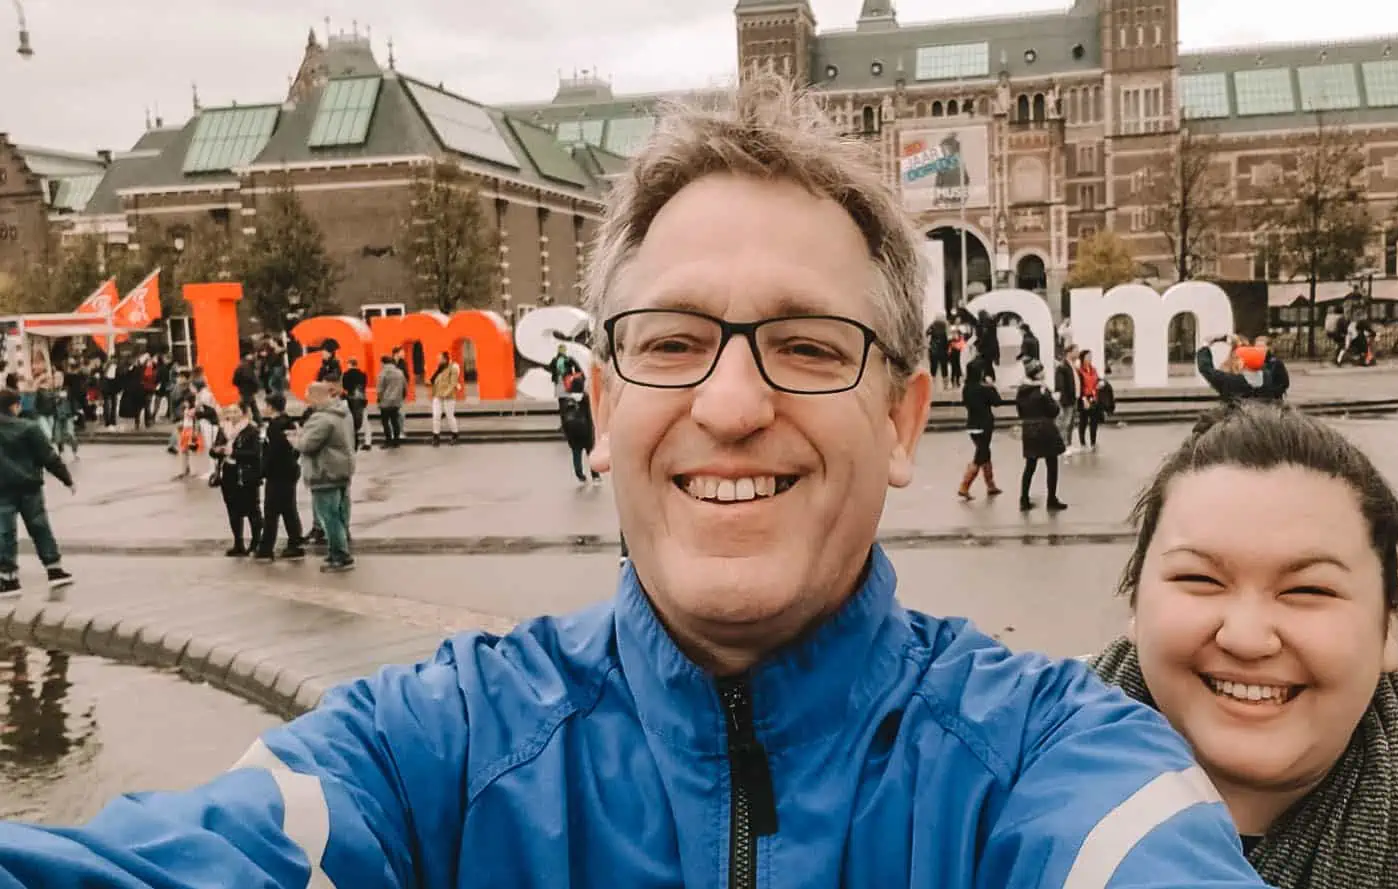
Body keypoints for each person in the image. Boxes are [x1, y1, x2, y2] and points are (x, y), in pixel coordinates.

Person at [0, 77, 1268, 889]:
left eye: (808, 346)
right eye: (670, 343)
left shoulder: (1054, 766)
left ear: (902, 416)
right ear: (601, 408)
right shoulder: (424, 758)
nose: (728, 403)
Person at [1089, 400, 1398, 888]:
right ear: (1135, 603)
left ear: (1388, 629)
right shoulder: (1015, 780)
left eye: (1308, 590)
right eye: (1199, 578)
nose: (1247, 637)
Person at [0, 389, 74, 596]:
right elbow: (48, 457)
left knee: (4, 532)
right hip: (30, 487)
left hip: (2, 490)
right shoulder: (29, 428)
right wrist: (66, 479)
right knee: (40, 526)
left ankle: (8, 578)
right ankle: (54, 569)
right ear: (14, 406)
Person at [296, 381, 356, 572]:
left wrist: (296, 438)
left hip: (324, 471)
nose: (308, 403)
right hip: (341, 469)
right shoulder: (343, 414)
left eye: (308, 398)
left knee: (329, 517)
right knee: (339, 513)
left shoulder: (321, 419)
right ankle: (336, 551)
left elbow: (307, 445)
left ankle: (340, 555)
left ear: (315, 397)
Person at [254, 393, 307, 562]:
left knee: (271, 511)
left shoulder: (274, 427)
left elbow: (272, 453)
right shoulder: (289, 423)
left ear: (271, 407)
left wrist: (262, 471)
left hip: (277, 474)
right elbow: (296, 446)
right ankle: (295, 542)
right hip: (289, 470)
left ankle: (266, 548)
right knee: (288, 509)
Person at [210, 405, 264, 558]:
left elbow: (255, 454)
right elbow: (214, 449)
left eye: (236, 411)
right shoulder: (224, 429)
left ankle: (256, 542)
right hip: (228, 472)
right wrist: (216, 451)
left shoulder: (251, 431)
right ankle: (238, 543)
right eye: (229, 411)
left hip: (246, 473)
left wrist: (233, 452)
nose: (232, 415)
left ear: (244, 413)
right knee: (233, 509)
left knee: (252, 509)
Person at [1013, 359, 1068, 512]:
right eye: (1041, 370)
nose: (1043, 372)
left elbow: (1020, 412)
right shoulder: (1043, 390)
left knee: (1030, 466)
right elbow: (1053, 411)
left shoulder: (1021, 391)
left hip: (1029, 429)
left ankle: (1023, 499)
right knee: (1052, 465)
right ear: (1037, 374)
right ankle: (1051, 498)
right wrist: (1054, 401)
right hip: (1045, 429)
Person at [957, 354, 1003, 500]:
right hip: (984, 424)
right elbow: (997, 402)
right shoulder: (984, 389)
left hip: (972, 424)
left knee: (985, 453)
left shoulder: (967, 388)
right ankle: (964, 486)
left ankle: (991, 485)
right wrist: (991, 386)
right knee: (980, 455)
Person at [557, 369, 600, 484]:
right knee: (590, 453)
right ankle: (595, 475)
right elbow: (590, 415)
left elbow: (563, 416)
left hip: (572, 432)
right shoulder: (586, 398)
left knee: (576, 454)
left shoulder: (565, 399)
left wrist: (566, 432)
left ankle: (580, 475)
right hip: (586, 431)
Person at [429, 351, 461, 445]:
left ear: (445, 359)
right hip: (437, 395)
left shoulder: (453, 368)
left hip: (449, 396)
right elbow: (436, 380)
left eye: (439, 359)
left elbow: (453, 383)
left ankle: (455, 435)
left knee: (450, 416)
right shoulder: (439, 368)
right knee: (436, 415)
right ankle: (436, 436)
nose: (438, 361)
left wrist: (446, 393)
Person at [340, 357, 371, 451]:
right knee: (365, 420)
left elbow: (344, 387)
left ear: (349, 364)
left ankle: (352, 442)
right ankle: (368, 442)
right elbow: (365, 385)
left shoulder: (346, 374)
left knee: (350, 421)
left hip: (351, 400)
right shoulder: (363, 374)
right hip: (362, 399)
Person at [375, 354, 406, 448]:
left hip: (385, 401)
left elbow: (380, 389)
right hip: (397, 401)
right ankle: (396, 442)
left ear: (383, 363)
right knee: (394, 421)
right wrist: (401, 397)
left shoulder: (383, 373)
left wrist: (379, 399)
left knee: (385, 421)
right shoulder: (400, 372)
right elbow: (405, 386)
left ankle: (388, 441)